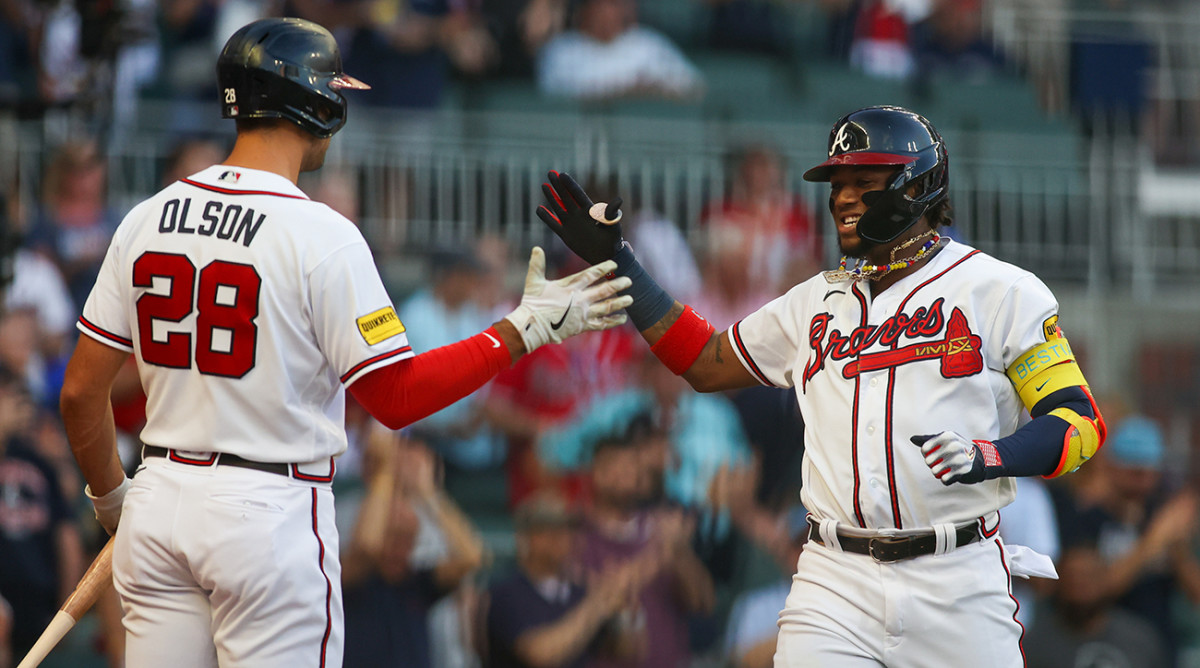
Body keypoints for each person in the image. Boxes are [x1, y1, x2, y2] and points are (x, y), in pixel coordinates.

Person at [58, 17, 632, 668]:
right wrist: (522, 329)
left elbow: (81, 391)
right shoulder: (321, 233)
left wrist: (112, 500)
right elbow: (396, 396)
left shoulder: (148, 216)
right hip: (267, 512)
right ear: (311, 101)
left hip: (159, 493)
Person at [536, 104, 1107, 666]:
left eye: (865, 181)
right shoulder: (817, 299)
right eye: (837, 183)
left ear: (918, 186)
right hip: (835, 577)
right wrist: (622, 262)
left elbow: (1080, 424)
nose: (843, 197)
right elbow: (705, 361)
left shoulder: (1001, 291)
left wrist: (991, 455)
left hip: (956, 575)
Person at [484, 490, 641, 668]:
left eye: (567, 529)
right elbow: (539, 655)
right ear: (525, 537)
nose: (561, 537)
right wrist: (596, 603)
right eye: (548, 530)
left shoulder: (579, 591)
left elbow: (625, 651)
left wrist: (625, 609)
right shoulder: (506, 591)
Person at [1024, 543, 1170, 668]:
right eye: (1072, 578)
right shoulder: (1035, 646)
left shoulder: (1141, 639)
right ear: (1058, 583)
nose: (1081, 586)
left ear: (1105, 580)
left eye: (1088, 577)